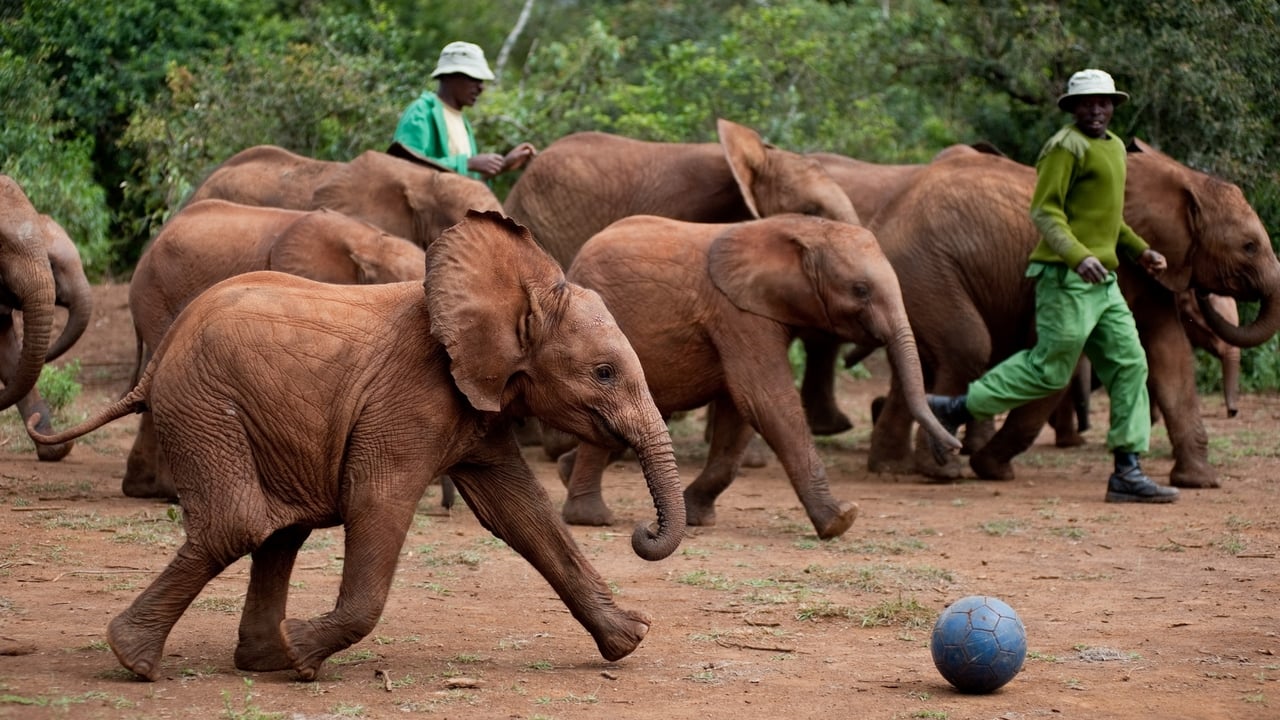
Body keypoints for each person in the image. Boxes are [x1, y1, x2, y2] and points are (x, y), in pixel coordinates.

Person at [926, 68, 1179, 504]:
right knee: (1049, 369)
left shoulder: (1116, 148)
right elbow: (1045, 213)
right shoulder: (1064, 148)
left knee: (1130, 364)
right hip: (1067, 279)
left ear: (1114, 106)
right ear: (1073, 107)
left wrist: (1140, 251)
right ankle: (954, 409)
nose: (1096, 110)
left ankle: (1127, 470)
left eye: (1103, 102)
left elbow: (1107, 217)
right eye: (1086, 102)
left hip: (1105, 282)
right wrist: (1077, 257)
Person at [388, 41, 536, 180]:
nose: (481, 88)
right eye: (474, 78)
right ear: (450, 76)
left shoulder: (462, 122)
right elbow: (404, 168)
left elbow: (463, 183)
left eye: (481, 81)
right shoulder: (421, 112)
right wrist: (467, 163)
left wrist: (503, 165)